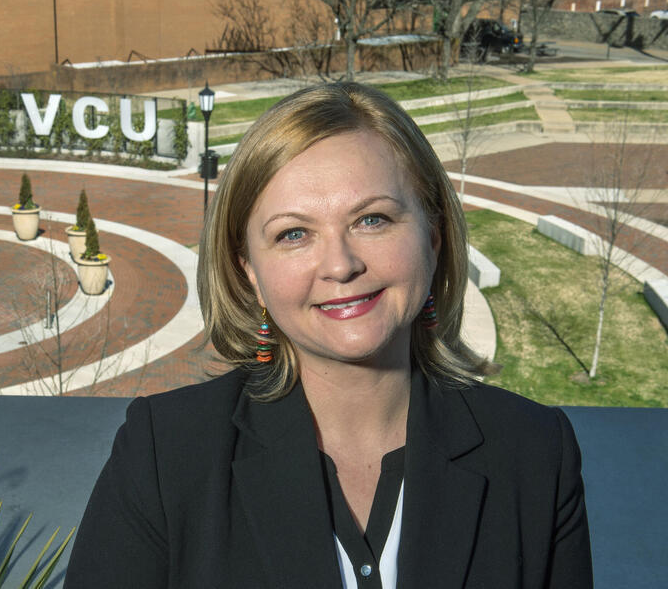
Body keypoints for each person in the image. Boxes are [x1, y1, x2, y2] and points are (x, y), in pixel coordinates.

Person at [65, 82, 593, 588]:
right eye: (294, 234)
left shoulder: (536, 452)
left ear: (433, 239)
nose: (340, 265)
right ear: (249, 271)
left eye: (372, 220)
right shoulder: (163, 455)